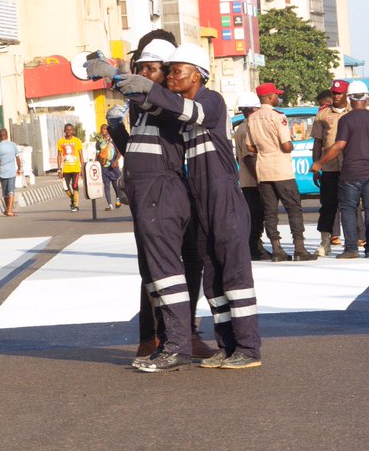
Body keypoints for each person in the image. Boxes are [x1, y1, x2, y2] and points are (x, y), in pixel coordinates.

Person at [116, 43, 263, 370]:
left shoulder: (210, 101)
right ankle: (227, 346)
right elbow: (159, 108)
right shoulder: (182, 108)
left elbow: (185, 111)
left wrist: (149, 87)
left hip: (223, 193)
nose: (171, 77)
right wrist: (119, 79)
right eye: (168, 72)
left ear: (197, 75)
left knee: (234, 273)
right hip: (201, 197)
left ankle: (249, 348)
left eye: (177, 71)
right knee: (213, 275)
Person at [98, 34, 212, 369]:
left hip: (165, 192)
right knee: (156, 271)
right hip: (149, 193)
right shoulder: (144, 101)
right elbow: (137, 146)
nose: (146, 75)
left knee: (170, 270)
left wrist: (114, 74)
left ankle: (177, 341)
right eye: (141, 68)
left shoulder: (165, 100)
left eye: (153, 69)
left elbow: (155, 103)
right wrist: (118, 129)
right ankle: (164, 338)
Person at [311, 81, 369, 259]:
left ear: (350, 98)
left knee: (348, 209)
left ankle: (351, 249)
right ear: (366, 97)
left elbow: (339, 145)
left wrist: (319, 163)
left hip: (351, 173)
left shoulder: (346, 119)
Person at [248, 82, 313, 261]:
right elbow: (286, 145)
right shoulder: (279, 117)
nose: (278, 97)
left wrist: (264, 149)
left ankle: (277, 250)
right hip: (281, 169)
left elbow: (249, 147)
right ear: (270, 97)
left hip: (263, 169)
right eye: (276, 95)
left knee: (270, 211)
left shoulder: (251, 118)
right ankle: (299, 248)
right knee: (293, 208)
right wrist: (289, 144)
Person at [310, 79, 350, 257]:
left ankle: (355, 242)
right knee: (327, 206)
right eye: (334, 93)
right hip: (329, 167)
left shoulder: (355, 112)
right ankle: (325, 242)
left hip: (350, 166)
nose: (336, 96)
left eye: (340, 93)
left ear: (346, 94)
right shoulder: (323, 114)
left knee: (352, 205)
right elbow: (317, 143)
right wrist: (316, 165)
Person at [233, 92, 267, 261]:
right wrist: (260, 179)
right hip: (252, 181)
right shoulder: (247, 128)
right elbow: (247, 157)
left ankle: (255, 247)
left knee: (254, 215)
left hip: (248, 180)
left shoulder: (242, 126)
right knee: (256, 216)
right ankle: (254, 248)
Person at [0, 129, 21, 216]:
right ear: (7, 135)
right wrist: (19, 168)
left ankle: (8, 209)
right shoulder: (13, 145)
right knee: (11, 190)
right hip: (12, 171)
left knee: (5, 192)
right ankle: (9, 210)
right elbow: (18, 158)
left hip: (3, 172)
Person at [95, 123, 123, 210]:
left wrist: (115, 161)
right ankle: (110, 205)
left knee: (115, 185)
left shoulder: (114, 141)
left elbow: (119, 153)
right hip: (104, 167)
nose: (104, 130)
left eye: (105, 128)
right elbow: (97, 155)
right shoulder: (99, 142)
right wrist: (96, 164)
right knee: (106, 185)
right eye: (102, 128)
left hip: (113, 166)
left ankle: (118, 199)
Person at [58, 123, 84, 213]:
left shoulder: (77, 141)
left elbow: (81, 155)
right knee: (65, 187)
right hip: (66, 169)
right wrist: (59, 169)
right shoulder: (61, 142)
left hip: (76, 168)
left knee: (75, 186)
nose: (69, 131)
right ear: (64, 131)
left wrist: (82, 168)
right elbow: (59, 155)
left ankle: (76, 205)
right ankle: (73, 199)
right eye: (67, 129)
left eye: (70, 129)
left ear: (72, 131)